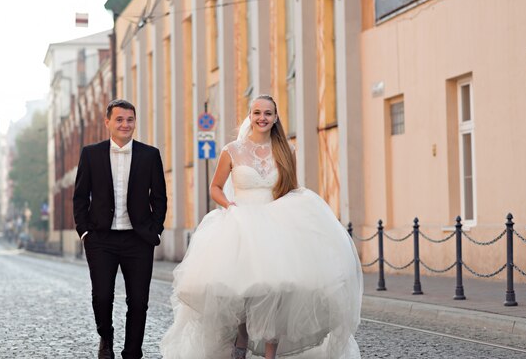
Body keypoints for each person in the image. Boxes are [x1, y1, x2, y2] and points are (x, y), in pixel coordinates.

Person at [160, 95, 363, 358]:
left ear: (276, 117)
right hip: (241, 221)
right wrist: (230, 206)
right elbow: (215, 187)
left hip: (278, 224)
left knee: (278, 289)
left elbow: (289, 188)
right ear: (250, 115)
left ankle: (270, 352)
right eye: (257, 113)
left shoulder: (286, 151)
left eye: (268, 113)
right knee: (245, 288)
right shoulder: (231, 150)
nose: (262, 118)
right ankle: (241, 339)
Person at [73, 99, 167, 359]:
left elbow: (159, 197)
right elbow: (80, 197)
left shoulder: (150, 155)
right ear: (108, 123)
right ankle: (106, 335)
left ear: (135, 122)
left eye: (130, 120)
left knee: (138, 301)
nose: (125, 124)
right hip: (100, 239)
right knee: (102, 297)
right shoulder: (90, 154)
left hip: (139, 239)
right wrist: (85, 232)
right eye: (119, 119)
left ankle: (132, 351)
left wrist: (155, 231)